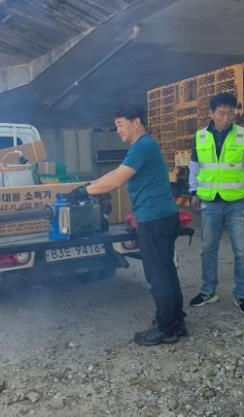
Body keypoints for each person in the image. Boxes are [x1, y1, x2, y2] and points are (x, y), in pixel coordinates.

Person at [66, 104, 186, 346]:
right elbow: (115, 173)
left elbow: (117, 181)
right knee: (166, 271)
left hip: (154, 218)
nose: (118, 130)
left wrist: (84, 192)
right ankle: (175, 322)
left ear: (136, 122)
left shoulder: (142, 146)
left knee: (158, 275)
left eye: (120, 125)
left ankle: (166, 329)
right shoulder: (143, 146)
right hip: (162, 216)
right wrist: (88, 185)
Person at [188, 92, 244, 314]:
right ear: (211, 113)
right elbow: (194, 167)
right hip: (209, 203)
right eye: (221, 113)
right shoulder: (200, 137)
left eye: (230, 113)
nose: (226, 118)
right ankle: (208, 291)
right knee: (208, 249)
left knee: (242, 252)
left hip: (238, 204)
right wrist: (193, 191)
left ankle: (241, 295)